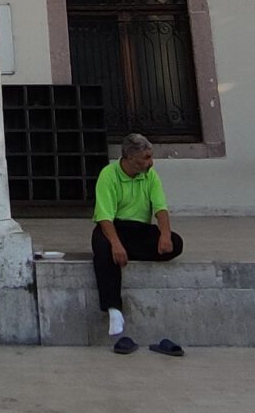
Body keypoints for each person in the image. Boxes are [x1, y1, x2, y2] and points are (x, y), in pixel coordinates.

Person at [91, 132, 186, 355]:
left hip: (139, 229)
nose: (150, 162)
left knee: (176, 242)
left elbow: (160, 207)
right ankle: (113, 309)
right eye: (145, 158)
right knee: (104, 249)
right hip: (114, 227)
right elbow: (104, 215)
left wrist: (164, 233)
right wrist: (116, 243)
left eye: (150, 157)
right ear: (129, 158)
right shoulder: (109, 175)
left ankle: (125, 253)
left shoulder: (150, 175)